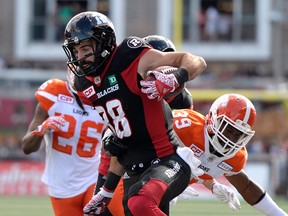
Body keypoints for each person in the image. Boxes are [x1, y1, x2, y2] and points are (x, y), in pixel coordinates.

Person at [62, 11, 207, 216]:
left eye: (85, 48)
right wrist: (106, 190)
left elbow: (195, 61)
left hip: (167, 160)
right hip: (134, 170)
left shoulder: (128, 56)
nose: (80, 57)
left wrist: (177, 76)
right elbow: (123, 142)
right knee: (135, 204)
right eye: (75, 51)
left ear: (103, 43)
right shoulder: (85, 86)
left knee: (140, 203)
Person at [95, 35, 239, 216]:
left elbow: (182, 148)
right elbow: (120, 141)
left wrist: (208, 182)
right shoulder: (131, 88)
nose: (165, 71)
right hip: (117, 165)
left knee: (142, 204)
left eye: (170, 67)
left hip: (156, 164)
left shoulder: (181, 98)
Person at [172, 93, 287, 215]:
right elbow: (150, 137)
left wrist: (278, 214)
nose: (230, 138)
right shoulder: (185, 125)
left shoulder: (235, 158)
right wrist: (170, 164)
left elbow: (247, 187)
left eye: (238, 134)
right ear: (213, 119)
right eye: (228, 129)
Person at [21, 70, 106, 216]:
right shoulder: (53, 93)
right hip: (62, 184)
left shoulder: (104, 96)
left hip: (93, 176)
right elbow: (27, 147)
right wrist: (42, 129)